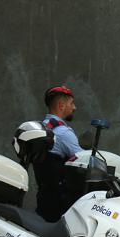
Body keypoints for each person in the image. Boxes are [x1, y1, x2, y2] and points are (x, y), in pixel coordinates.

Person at [33, 85, 84, 223]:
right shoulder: (63, 132)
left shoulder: (42, 128)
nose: (74, 108)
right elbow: (83, 161)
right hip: (62, 203)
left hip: (44, 198)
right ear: (61, 105)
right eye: (72, 103)